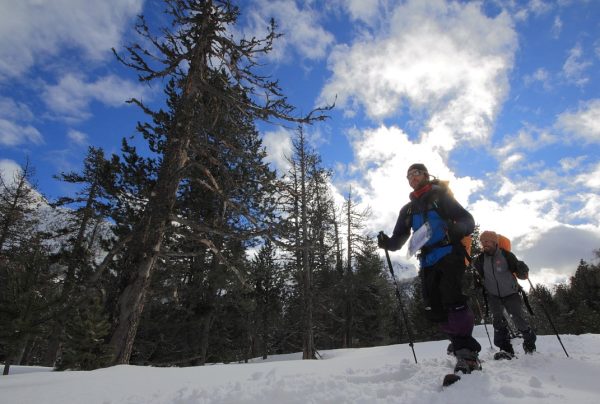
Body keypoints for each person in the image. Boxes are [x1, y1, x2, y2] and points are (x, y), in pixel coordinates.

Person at [377, 163, 481, 374]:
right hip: (427, 260)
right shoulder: (407, 210)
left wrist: (455, 229)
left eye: (416, 173)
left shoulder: (441, 196)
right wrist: (386, 243)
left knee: (452, 297)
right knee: (435, 309)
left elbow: (468, 221)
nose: (412, 178)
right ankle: (458, 340)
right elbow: (398, 241)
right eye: (408, 176)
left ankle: (467, 354)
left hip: (450, 252)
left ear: (425, 175)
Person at [473, 230, 537, 356]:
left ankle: (529, 342)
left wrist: (522, 270)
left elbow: (521, 275)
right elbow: (480, 276)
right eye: (482, 242)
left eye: (487, 241)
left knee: (518, 319)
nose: (484, 244)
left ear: (494, 242)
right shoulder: (480, 260)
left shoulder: (506, 255)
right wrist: (477, 284)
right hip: (493, 295)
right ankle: (505, 349)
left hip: (511, 293)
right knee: (498, 321)